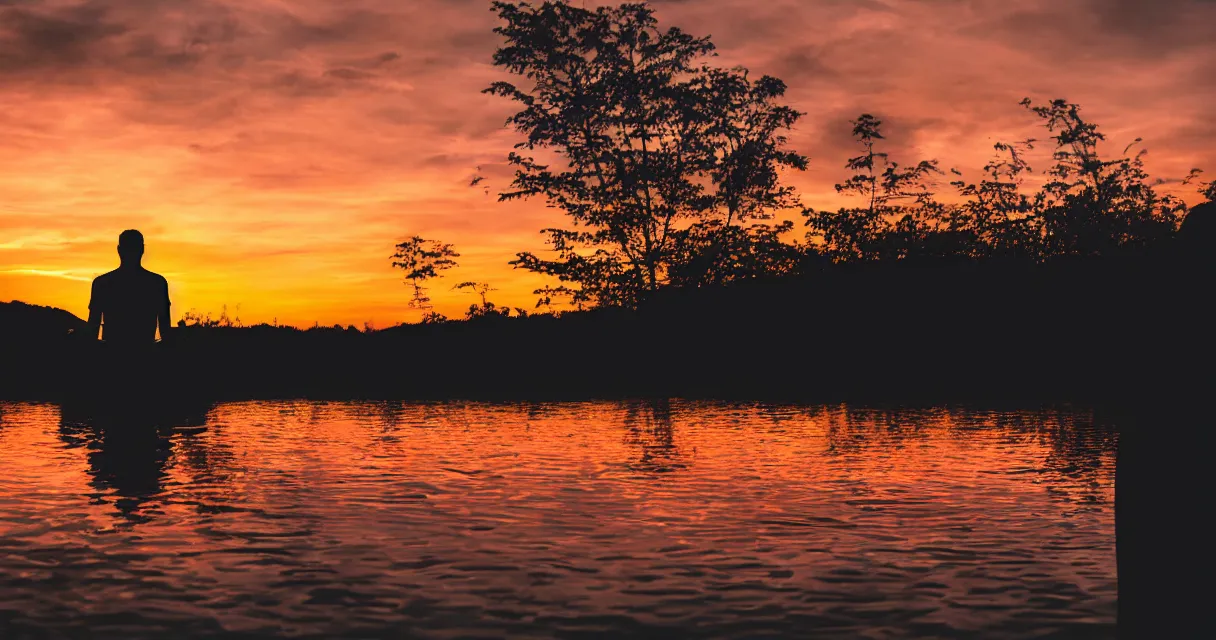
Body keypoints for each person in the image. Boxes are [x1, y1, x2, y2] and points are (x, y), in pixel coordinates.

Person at [87, 230, 172, 346]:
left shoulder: (102, 283)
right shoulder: (157, 283)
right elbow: (166, 331)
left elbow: (92, 328)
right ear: (142, 250)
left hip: (112, 354)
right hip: (146, 353)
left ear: (119, 250)